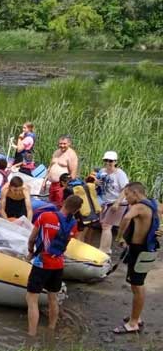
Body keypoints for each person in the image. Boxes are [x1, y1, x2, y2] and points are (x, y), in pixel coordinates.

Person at [25, 195, 83, 336]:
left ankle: (31, 334)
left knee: (32, 299)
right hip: (58, 264)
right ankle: (51, 328)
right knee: (53, 298)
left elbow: (32, 238)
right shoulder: (73, 224)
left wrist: (30, 252)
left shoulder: (46, 216)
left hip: (42, 263)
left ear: (64, 202)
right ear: (76, 211)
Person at [113, 182, 160, 334]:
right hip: (146, 250)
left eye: (127, 195)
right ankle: (136, 317)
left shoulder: (138, 206)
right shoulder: (154, 203)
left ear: (135, 192)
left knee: (137, 286)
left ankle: (133, 324)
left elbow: (126, 218)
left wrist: (119, 237)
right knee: (136, 285)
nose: (126, 198)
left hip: (141, 251)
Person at [94, 151, 129, 253]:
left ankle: (103, 250)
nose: (108, 163)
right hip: (105, 201)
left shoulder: (120, 174)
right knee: (104, 225)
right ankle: (106, 248)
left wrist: (117, 202)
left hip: (117, 202)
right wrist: (96, 183)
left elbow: (125, 189)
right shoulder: (102, 171)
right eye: (106, 160)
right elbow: (99, 187)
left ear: (115, 161)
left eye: (111, 161)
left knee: (107, 225)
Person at [43, 135, 78, 208]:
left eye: (64, 144)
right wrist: (45, 180)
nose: (62, 145)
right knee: (51, 204)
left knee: (60, 206)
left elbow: (73, 174)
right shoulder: (56, 152)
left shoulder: (71, 155)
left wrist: (65, 187)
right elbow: (50, 166)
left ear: (69, 143)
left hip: (62, 185)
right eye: (60, 143)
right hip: (52, 184)